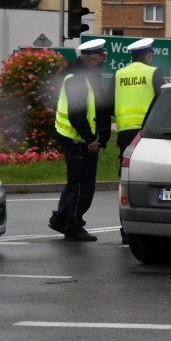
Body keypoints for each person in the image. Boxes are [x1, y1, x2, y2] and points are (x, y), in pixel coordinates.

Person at [49, 39, 111, 242]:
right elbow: (77, 114)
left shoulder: (85, 75)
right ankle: (73, 225)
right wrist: (90, 139)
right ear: (90, 58)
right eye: (99, 58)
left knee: (75, 183)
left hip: (77, 138)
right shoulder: (76, 78)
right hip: (77, 139)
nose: (101, 61)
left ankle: (61, 219)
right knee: (82, 186)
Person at [108, 37, 165, 243]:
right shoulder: (153, 72)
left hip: (125, 133)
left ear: (132, 56)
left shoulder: (119, 74)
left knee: (127, 180)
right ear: (148, 55)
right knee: (154, 179)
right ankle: (153, 227)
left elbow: (110, 102)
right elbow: (164, 101)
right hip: (149, 133)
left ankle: (126, 228)